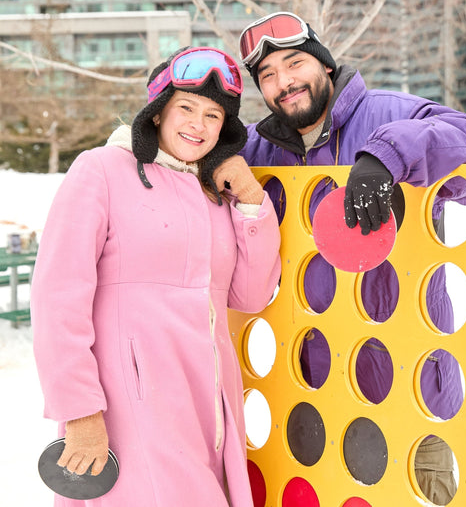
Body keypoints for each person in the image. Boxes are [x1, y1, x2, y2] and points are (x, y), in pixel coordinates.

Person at [236, 11, 466, 505]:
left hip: (412, 392)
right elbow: (190, 150)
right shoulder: (260, 150)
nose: (283, 82)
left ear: (326, 67)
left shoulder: (386, 114)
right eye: (267, 76)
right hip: (316, 393)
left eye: (294, 64)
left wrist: (388, 155)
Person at [31, 46, 281, 507]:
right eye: (186, 107)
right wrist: (79, 411)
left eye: (213, 115)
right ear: (158, 110)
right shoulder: (102, 170)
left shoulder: (214, 192)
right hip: (133, 408)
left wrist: (248, 196)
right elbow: (56, 298)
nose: (198, 125)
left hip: (209, 412)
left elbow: (250, 294)